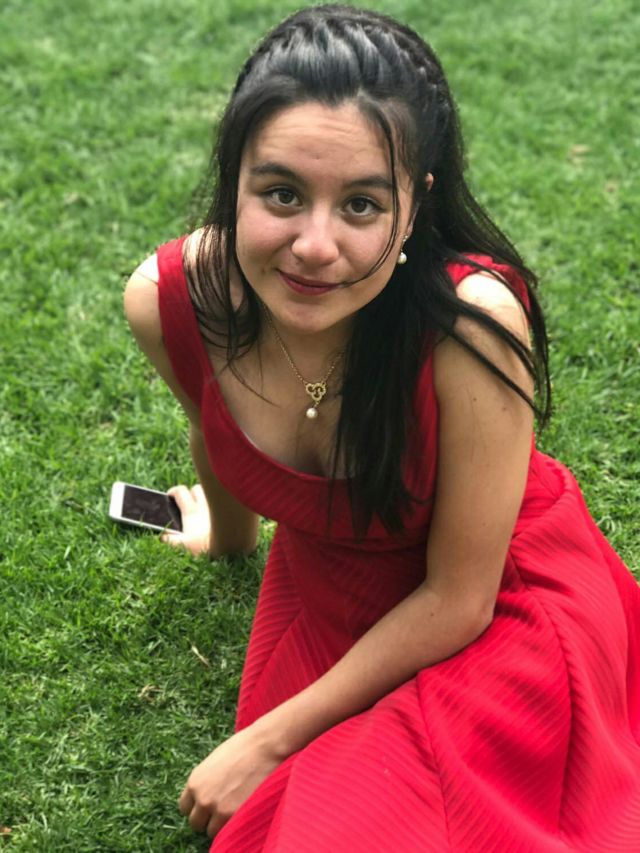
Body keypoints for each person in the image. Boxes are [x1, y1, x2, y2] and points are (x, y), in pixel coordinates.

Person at [123, 4, 640, 850]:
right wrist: (225, 538)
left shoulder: (470, 325)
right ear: (234, 176)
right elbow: (212, 429)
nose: (314, 245)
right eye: (282, 193)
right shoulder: (174, 302)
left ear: (415, 206)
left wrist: (268, 739)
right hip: (334, 603)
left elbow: (460, 598)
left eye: (361, 204)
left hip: (496, 612)